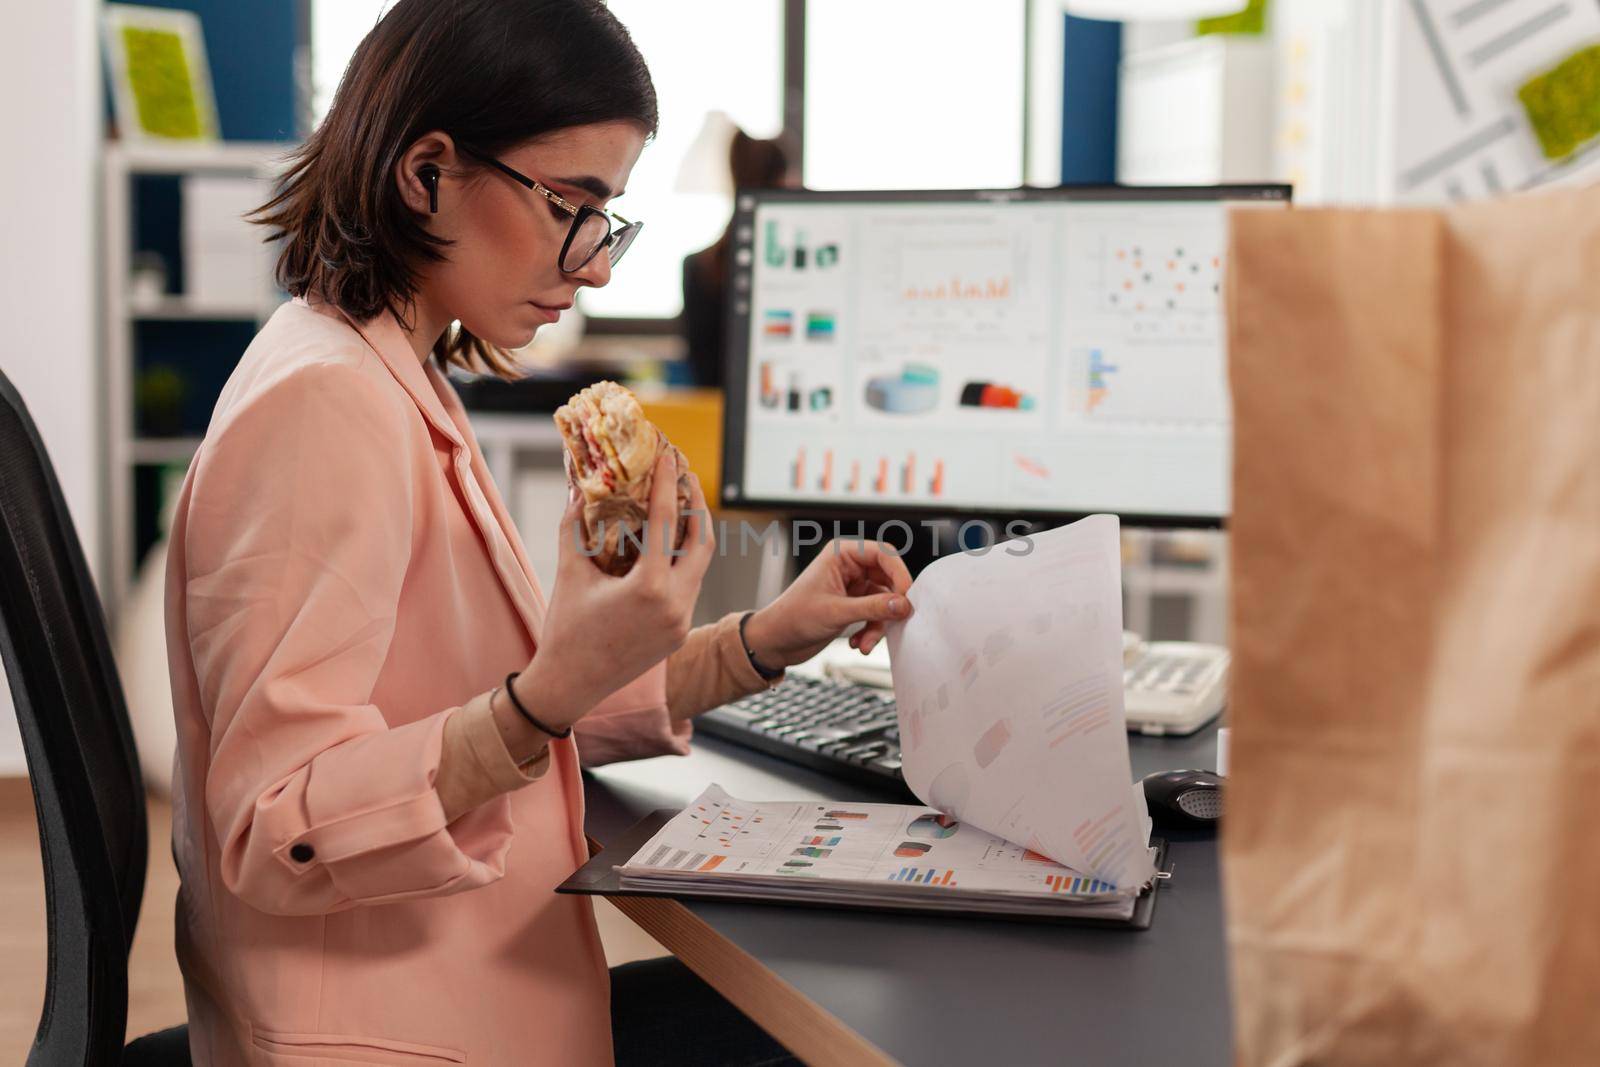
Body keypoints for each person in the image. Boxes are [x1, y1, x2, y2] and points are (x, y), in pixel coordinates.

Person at [163, 2, 911, 1064]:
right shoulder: (324, 407)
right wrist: (542, 695)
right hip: (396, 1032)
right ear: (425, 172)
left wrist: (762, 639)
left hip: (465, 989)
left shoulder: (391, 371)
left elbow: (489, 699)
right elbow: (275, 823)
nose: (597, 263)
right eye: (576, 205)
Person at [680, 130, 794, 388]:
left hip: (710, 415)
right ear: (783, 180)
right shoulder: (786, 271)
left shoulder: (698, 267)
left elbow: (701, 373)